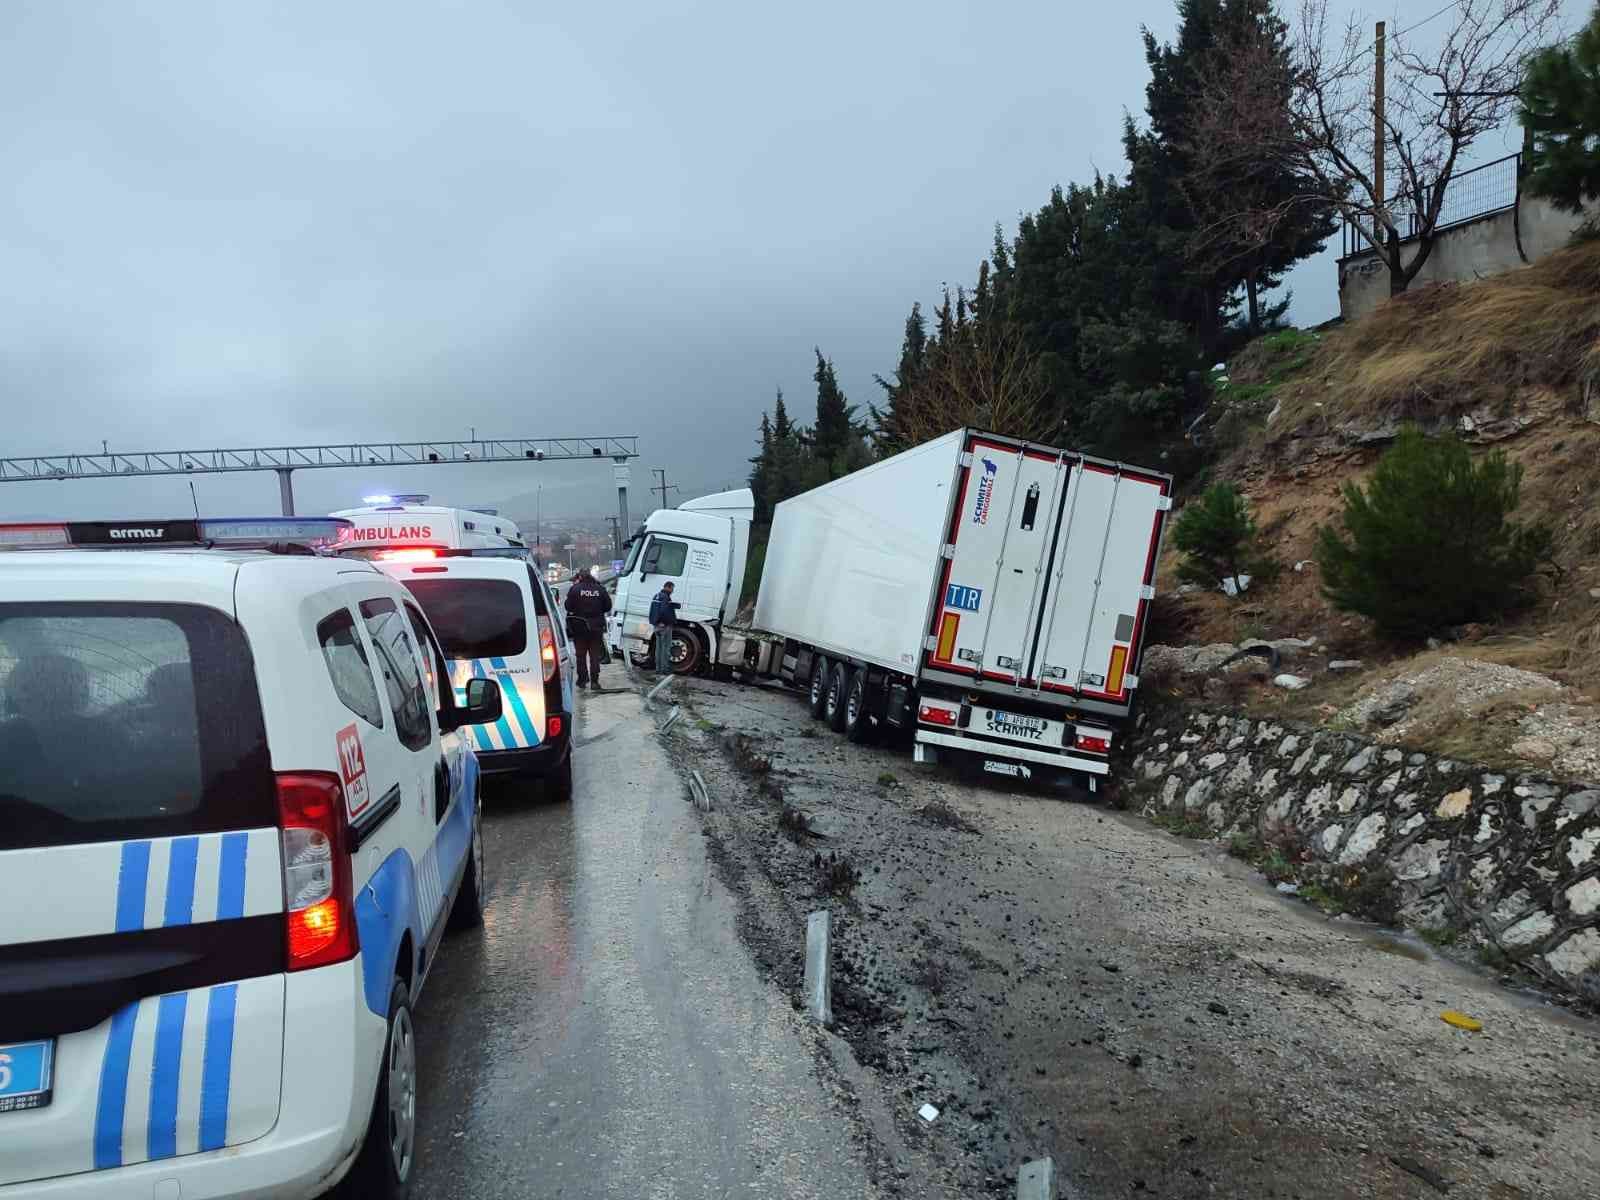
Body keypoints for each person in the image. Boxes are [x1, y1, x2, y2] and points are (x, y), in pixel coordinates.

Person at [562, 568, 612, 691]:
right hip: (596, 628)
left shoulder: (575, 589)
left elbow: (568, 606)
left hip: (579, 627)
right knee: (594, 655)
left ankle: (582, 681)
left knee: (581, 655)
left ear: (580, 577)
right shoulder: (599, 589)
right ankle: (595, 682)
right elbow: (608, 606)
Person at [648, 580, 680, 675]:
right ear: (668, 587)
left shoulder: (657, 596)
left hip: (656, 626)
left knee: (659, 648)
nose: (672, 591)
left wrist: (655, 622)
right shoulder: (665, 597)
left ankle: (658, 668)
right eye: (672, 588)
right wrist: (663, 622)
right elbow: (663, 611)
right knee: (665, 648)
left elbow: (653, 611)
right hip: (664, 626)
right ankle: (664, 669)